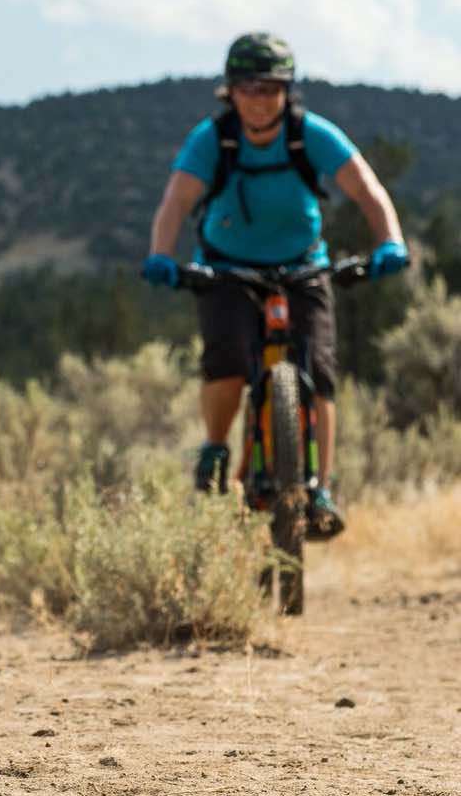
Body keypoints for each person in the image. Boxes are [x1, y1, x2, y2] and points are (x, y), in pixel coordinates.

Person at [142, 32, 408, 539]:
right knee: (226, 360)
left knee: (320, 372)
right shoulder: (213, 140)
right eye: (248, 87)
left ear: (287, 90)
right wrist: (160, 255)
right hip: (227, 267)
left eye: (271, 87)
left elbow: (368, 191)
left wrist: (390, 242)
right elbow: (174, 203)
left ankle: (322, 490)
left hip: (303, 265)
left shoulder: (311, 135)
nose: (259, 98)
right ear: (231, 91)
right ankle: (217, 447)